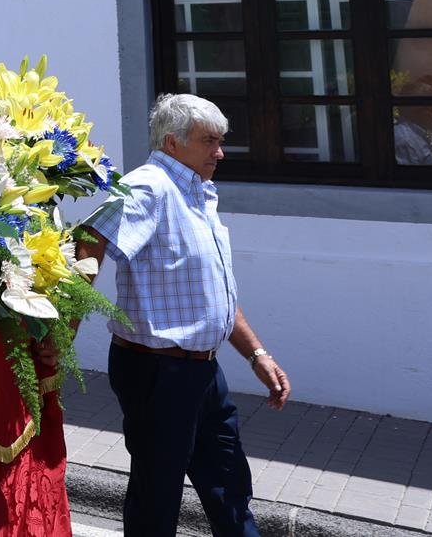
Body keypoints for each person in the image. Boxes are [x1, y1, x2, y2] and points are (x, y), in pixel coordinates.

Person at [89, 94, 291, 537]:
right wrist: (59, 334)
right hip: (157, 369)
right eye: (209, 141)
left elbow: (214, 293)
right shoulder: (150, 186)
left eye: (221, 141)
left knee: (229, 485)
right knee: (157, 498)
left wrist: (257, 354)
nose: (219, 152)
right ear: (172, 142)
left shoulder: (197, 192)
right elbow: (89, 240)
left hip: (203, 369)